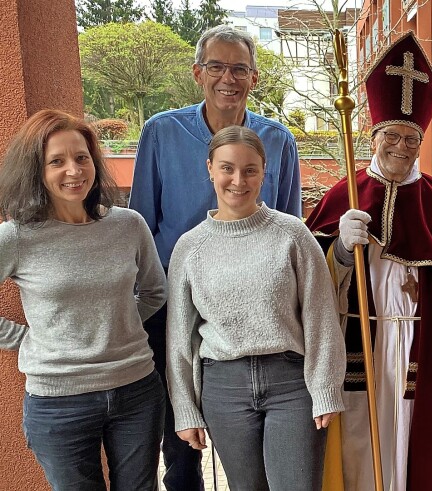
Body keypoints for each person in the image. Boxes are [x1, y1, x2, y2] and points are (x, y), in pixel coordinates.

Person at [304, 32, 432, 491]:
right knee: (358, 441)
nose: (402, 147)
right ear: (374, 135)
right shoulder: (342, 196)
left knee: (415, 439)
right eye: (392, 135)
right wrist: (341, 251)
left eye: (412, 138)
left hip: (419, 347)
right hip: (359, 342)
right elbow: (307, 284)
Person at [129, 24, 302, 490]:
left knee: (259, 436)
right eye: (217, 67)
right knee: (180, 435)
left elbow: (288, 228)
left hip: (254, 304)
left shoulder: (279, 142)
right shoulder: (161, 133)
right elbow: (140, 224)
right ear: (198, 73)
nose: (228, 78)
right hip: (172, 303)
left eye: (240, 68)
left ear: (255, 78)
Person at [165, 126, 344, 490]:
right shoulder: (190, 247)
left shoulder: (292, 235)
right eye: (227, 168)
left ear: (264, 171)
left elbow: (321, 317)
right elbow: (179, 337)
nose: (238, 180)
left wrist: (325, 386)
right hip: (223, 387)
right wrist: (185, 408)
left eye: (250, 169)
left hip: (291, 384)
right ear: (210, 169)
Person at [0, 110, 166, 489]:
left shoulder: (128, 225)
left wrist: (119, 321)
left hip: (136, 391)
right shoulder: (16, 237)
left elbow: (156, 290)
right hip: (59, 403)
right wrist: (25, 339)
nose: (74, 171)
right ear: (35, 171)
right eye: (56, 161)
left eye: (81, 157)